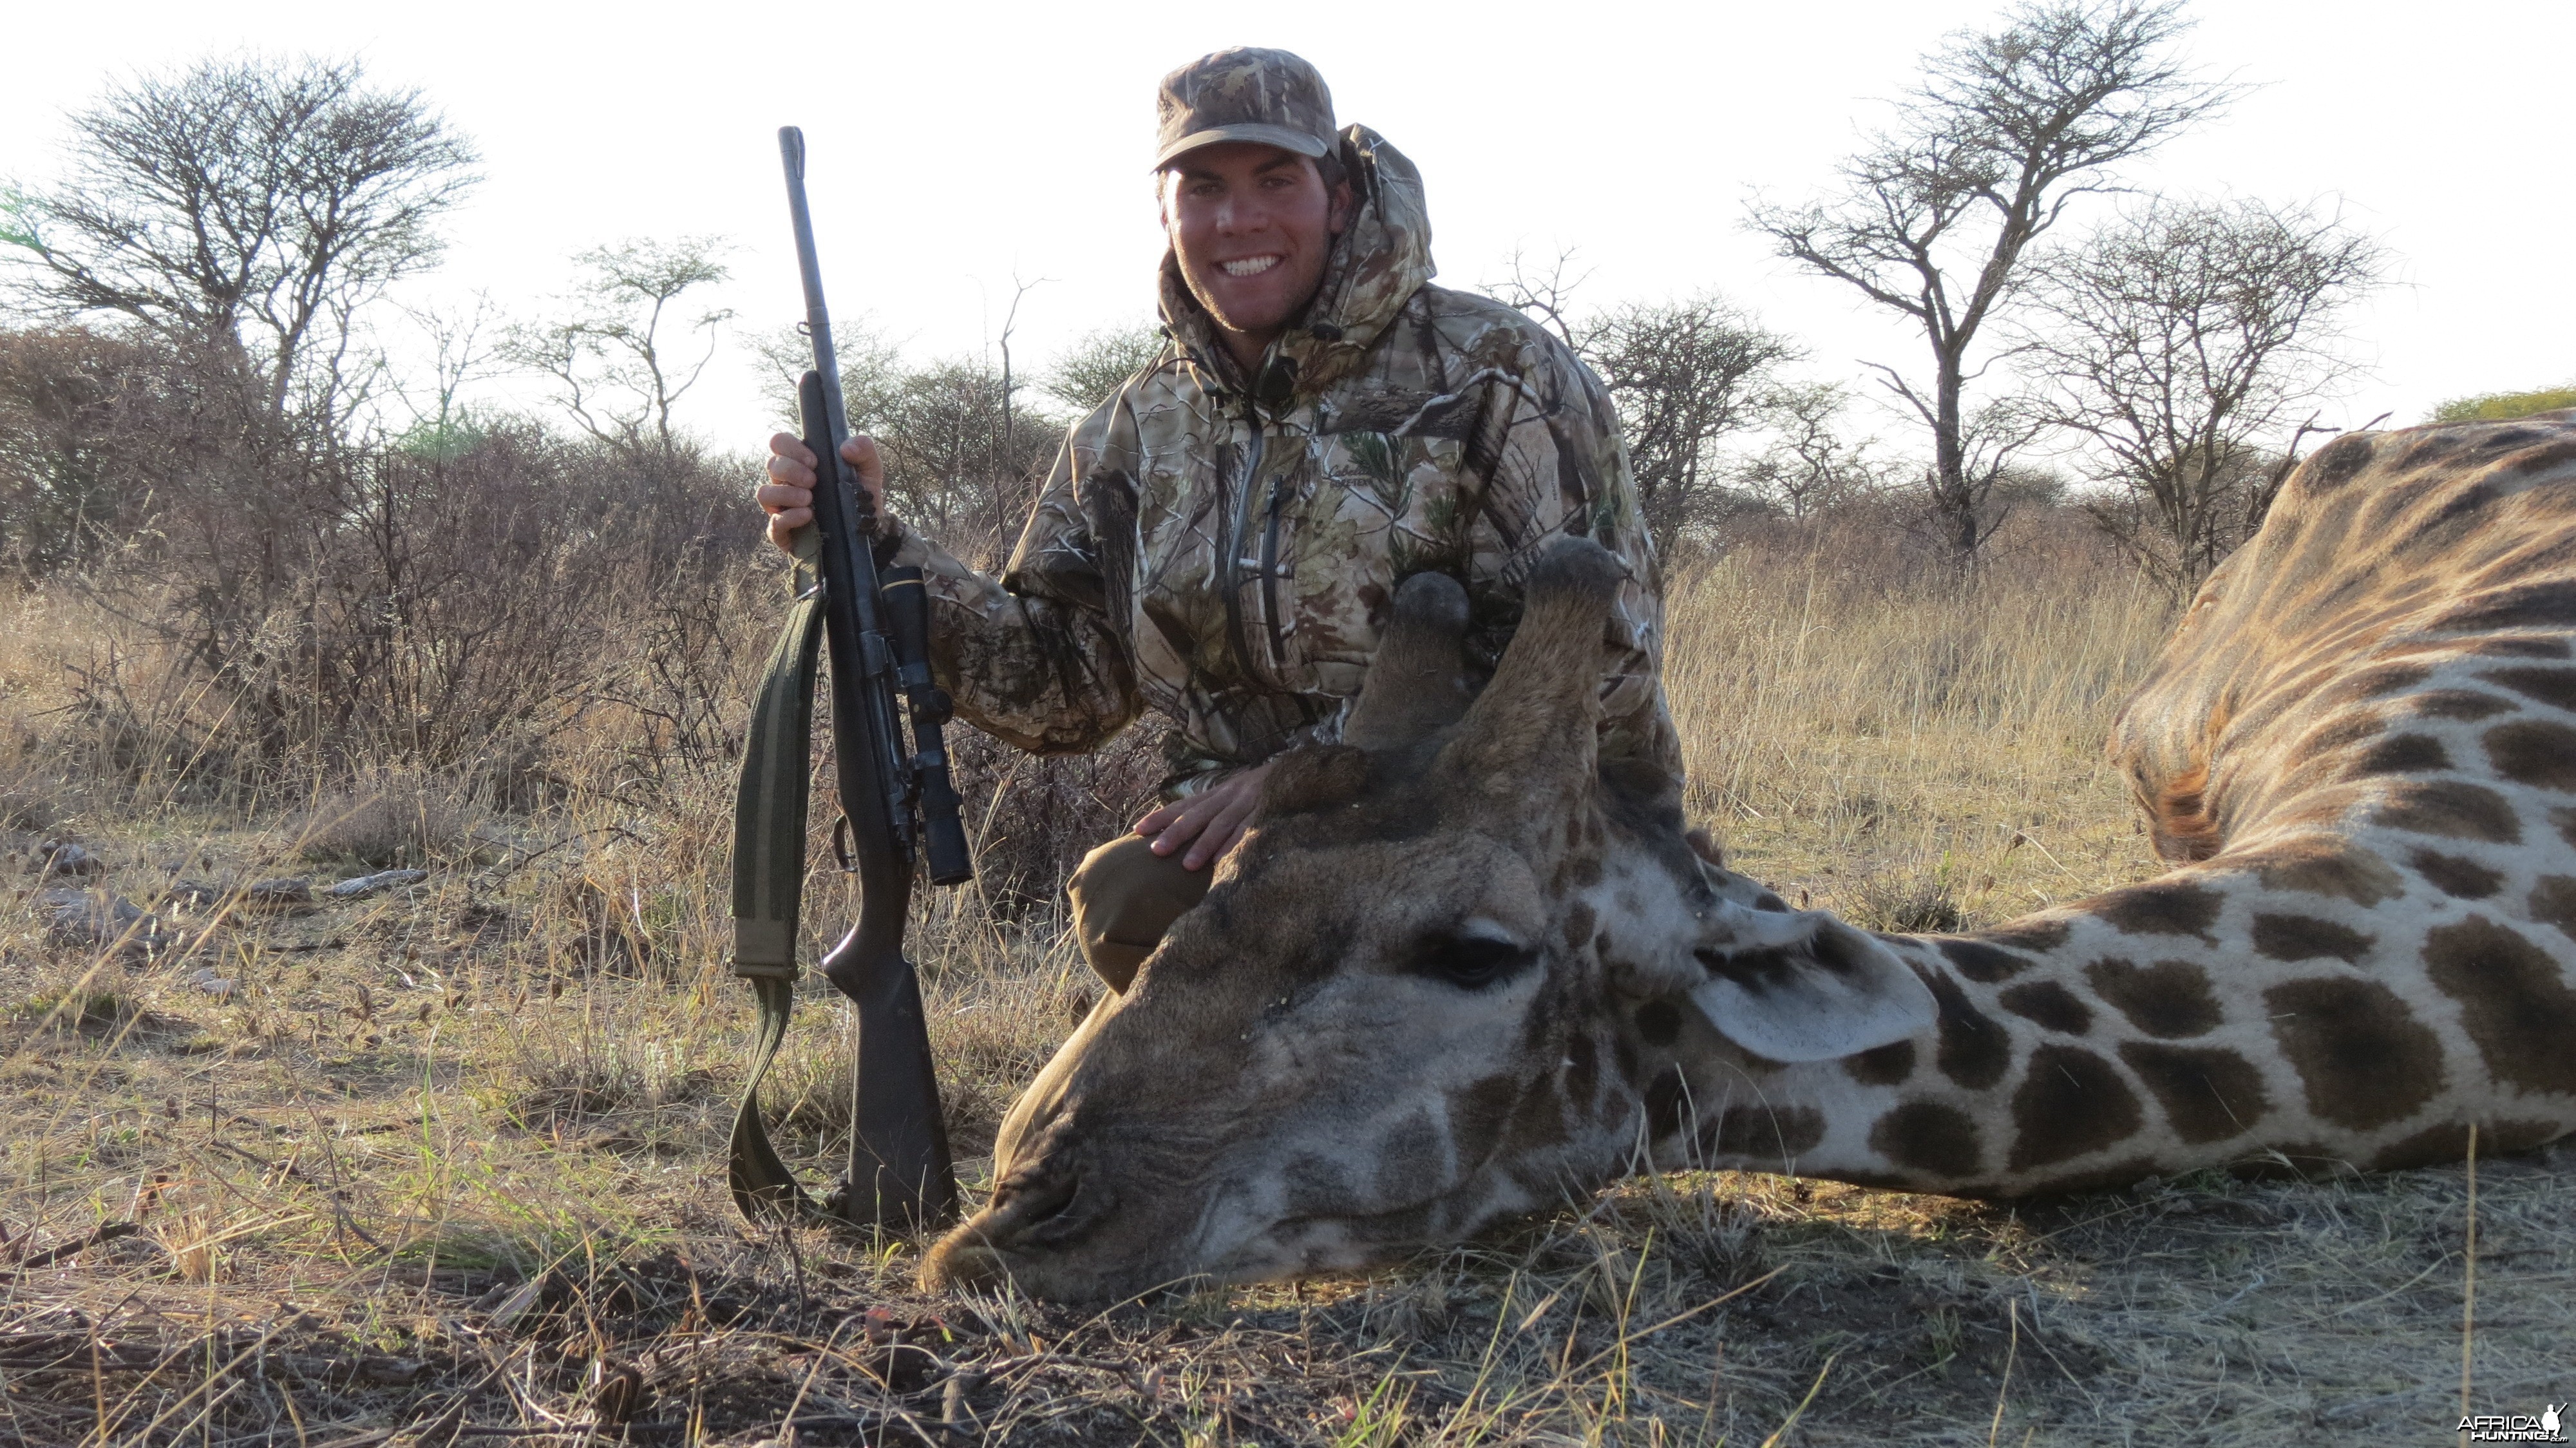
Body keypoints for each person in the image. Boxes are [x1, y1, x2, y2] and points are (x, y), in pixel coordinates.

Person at [757, 46, 1674, 992]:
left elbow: (1598, 663)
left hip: (1521, 832)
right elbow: (1063, 688)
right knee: (1130, 901)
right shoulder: (1134, 427)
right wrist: (871, 542)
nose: (1238, 219)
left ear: (1343, 196)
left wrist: (1304, 779)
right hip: (1273, 857)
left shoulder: (1500, 374)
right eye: (1202, 188)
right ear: (1166, 212)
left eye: (1275, 180)